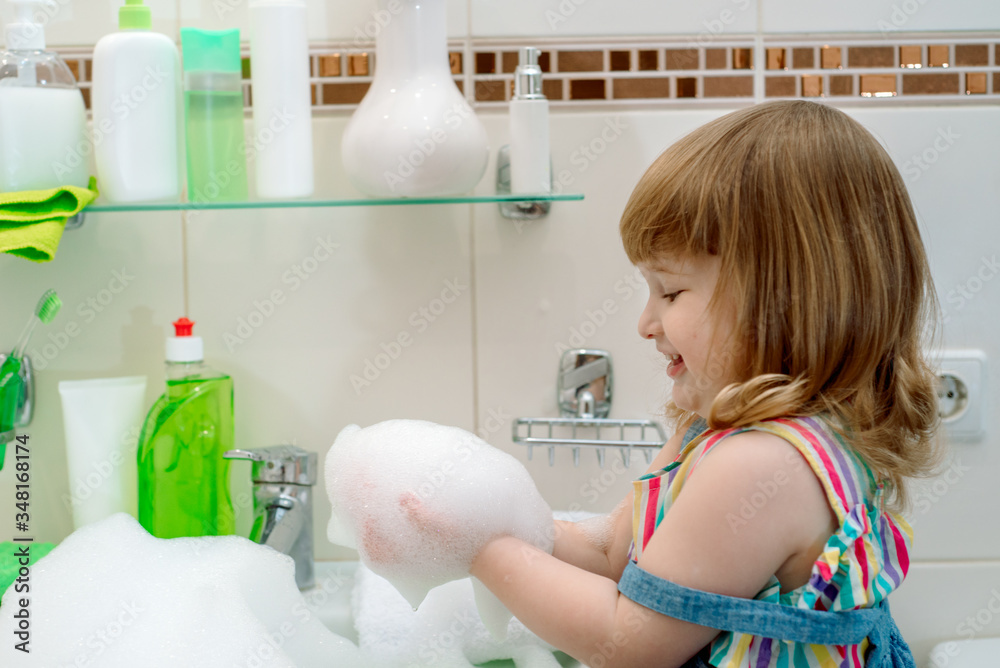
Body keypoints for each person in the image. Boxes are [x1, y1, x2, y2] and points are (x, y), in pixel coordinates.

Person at [465, 100, 940, 667]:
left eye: (669, 292)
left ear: (780, 301)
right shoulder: (712, 434)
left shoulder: (766, 465)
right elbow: (614, 555)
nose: (645, 323)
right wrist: (494, 521)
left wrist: (479, 550)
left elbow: (630, 643)